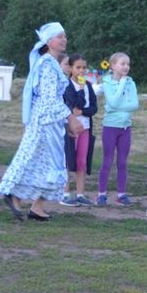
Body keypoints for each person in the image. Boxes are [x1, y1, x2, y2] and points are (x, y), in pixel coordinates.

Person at [0, 22, 78, 222]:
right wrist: (70, 118)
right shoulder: (48, 64)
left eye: (64, 36)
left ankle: (36, 206)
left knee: (48, 163)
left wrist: (66, 121)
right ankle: (14, 194)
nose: (64, 39)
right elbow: (49, 98)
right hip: (44, 121)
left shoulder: (50, 63)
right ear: (49, 41)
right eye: (59, 36)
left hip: (49, 119)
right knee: (39, 159)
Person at [97, 51, 139, 207]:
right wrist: (121, 82)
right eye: (122, 64)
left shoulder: (131, 83)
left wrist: (115, 106)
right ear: (113, 65)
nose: (126, 67)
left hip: (125, 127)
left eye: (128, 64)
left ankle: (121, 194)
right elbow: (113, 102)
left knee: (122, 162)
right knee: (107, 161)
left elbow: (135, 105)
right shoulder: (107, 82)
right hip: (110, 127)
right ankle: (101, 194)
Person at [61, 54, 98, 207]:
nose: (81, 70)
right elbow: (74, 104)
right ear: (70, 68)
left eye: (84, 67)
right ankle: (65, 194)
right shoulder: (67, 86)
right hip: (71, 129)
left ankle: (81, 194)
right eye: (78, 67)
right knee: (68, 161)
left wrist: (82, 112)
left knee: (82, 161)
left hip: (86, 128)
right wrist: (81, 91)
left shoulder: (89, 86)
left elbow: (93, 108)